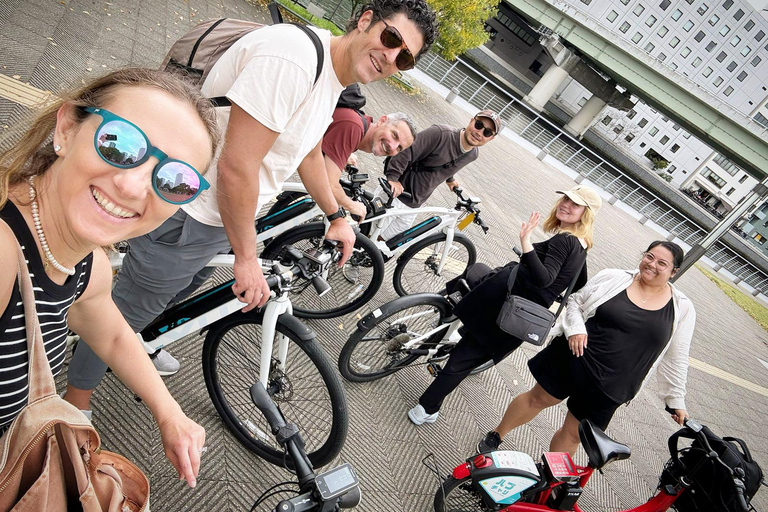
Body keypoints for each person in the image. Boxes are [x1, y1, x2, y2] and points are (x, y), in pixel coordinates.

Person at [64, 0, 439, 413]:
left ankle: (126, 344)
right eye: (391, 39)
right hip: (191, 210)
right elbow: (237, 167)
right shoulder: (295, 60)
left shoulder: (330, 78)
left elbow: (309, 154)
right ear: (365, 20)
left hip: (220, 219)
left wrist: (336, 216)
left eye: (404, 58)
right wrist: (247, 258)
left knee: (174, 293)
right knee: (123, 316)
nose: (391, 57)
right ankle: (72, 402)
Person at [0, 68, 218, 487]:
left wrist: (170, 412)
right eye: (120, 145)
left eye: (175, 180)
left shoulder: (85, 262)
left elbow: (113, 334)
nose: (135, 187)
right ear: (66, 128)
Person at [475, 240, 696, 457]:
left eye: (662, 263)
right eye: (649, 256)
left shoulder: (682, 307)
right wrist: (576, 330)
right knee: (537, 399)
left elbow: (677, 356)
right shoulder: (614, 277)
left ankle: (549, 480)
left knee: (573, 434)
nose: (652, 264)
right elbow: (575, 302)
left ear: (674, 272)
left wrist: (675, 400)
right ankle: (497, 434)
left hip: (612, 386)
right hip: (574, 359)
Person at [408, 186, 602, 426]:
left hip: (504, 303)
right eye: (565, 198)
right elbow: (577, 283)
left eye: (575, 204)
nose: (566, 204)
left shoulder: (564, 241)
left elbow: (545, 278)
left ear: (586, 213)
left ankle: (426, 408)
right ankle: (446, 335)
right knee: (470, 346)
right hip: (522, 313)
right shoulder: (582, 246)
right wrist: (548, 293)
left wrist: (526, 242)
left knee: (461, 359)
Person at [377, 110, 500, 239]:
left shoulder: (472, 154)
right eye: (479, 125)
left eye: (487, 132)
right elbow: (407, 150)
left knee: (385, 245)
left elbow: (448, 163)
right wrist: (393, 178)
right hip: (394, 195)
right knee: (366, 238)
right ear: (471, 121)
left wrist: (450, 179)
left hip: (415, 205)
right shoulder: (440, 134)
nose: (479, 133)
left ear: (491, 138)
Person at [323, 108, 417, 220]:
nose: (392, 147)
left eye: (399, 148)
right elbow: (327, 184)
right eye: (394, 135)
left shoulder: (360, 127)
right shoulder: (354, 127)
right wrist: (350, 205)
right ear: (382, 120)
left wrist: (343, 153)